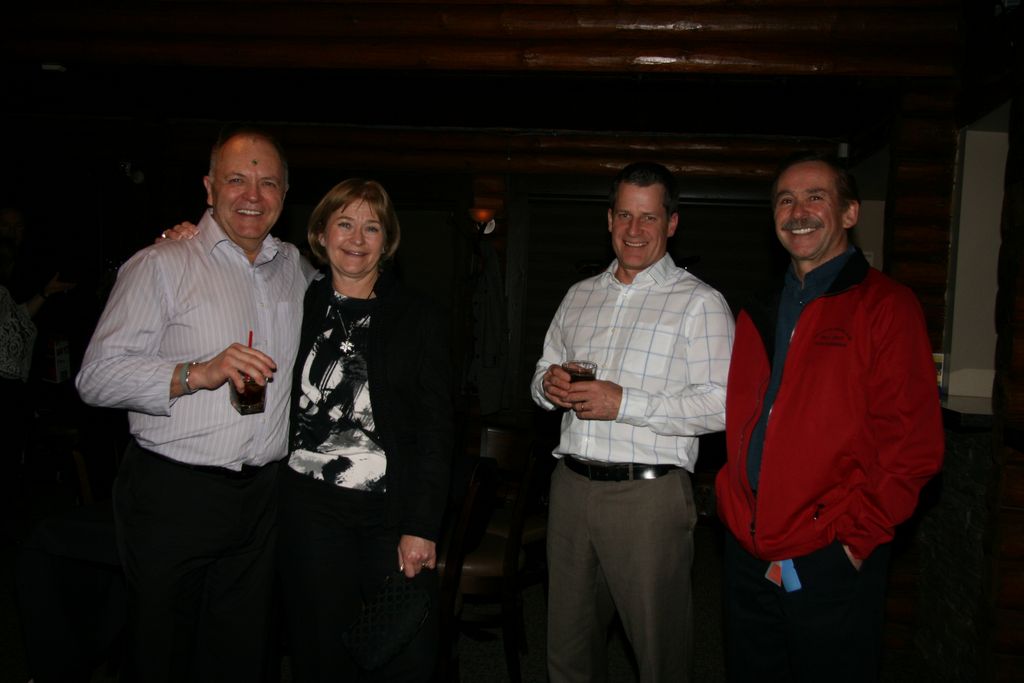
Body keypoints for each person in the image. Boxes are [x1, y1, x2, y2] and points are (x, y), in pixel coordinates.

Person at [76, 128, 315, 682]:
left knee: (241, 654)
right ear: (209, 188)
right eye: (236, 180)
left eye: (267, 182)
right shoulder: (160, 263)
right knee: (161, 653)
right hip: (173, 495)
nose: (252, 195)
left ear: (284, 195)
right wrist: (196, 373)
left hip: (262, 499)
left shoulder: (297, 270)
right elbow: (96, 378)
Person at [714, 152, 945, 682]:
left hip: (829, 554)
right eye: (786, 200)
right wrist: (731, 508)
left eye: (815, 197)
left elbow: (913, 445)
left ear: (849, 213)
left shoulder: (885, 306)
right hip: (747, 551)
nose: (798, 211)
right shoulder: (757, 308)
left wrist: (855, 543)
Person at [530, 162, 734, 683]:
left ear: (671, 223)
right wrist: (548, 386)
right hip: (571, 489)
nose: (634, 229)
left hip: (648, 498)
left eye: (649, 217)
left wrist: (626, 403)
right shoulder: (579, 295)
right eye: (624, 215)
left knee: (658, 655)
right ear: (609, 219)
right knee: (567, 651)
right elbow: (542, 369)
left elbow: (723, 405)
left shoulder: (700, 303)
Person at [277, 178, 451, 681]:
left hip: (389, 517)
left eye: (371, 227)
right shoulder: (296, 304)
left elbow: (436, 431)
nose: (357, 239)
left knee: (402, 653)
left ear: (387, 241)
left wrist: (422, 526)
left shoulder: (419, 317)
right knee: (318, 651)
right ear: (321, 234)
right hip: (309, 510)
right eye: (345, 224)